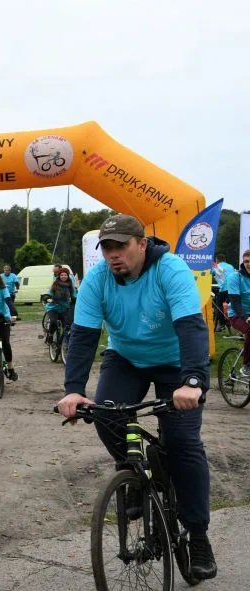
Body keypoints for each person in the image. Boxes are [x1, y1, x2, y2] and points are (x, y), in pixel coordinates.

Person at [56, 213, 216, 581]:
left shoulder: (170, 270)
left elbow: (192, 327)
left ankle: (198, 535)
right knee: (106, 416)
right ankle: (134, 473)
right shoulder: (97, 279)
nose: (113, 255)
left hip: (175, 364)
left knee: (182, 443)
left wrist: (193, 381)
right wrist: (74, 390)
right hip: (126, 358)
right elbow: (83, 337)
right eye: (107, 248)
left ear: (142, 245)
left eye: (121, 246)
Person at [226, 249, 250, 376]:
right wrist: (245, 317)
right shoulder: (235, 277)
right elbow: (235, 301)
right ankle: (247, 365)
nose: (249, 264)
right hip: (237, 314)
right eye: (246, 261)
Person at [42, 268, 75, 344]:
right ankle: (50, 335)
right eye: (62, 275)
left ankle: (63, 342)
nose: (63, 276)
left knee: (67, 326)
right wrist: (47, 298)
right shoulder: (55, 285)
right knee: (53, 322)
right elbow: (48, 294)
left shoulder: (70, 286)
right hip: (53, 308)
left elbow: (74, 296)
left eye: (65, 275)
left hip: (64, 308)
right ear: (59, 276)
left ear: (68, 276)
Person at [212, 253, 235, 331]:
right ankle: (231, 322)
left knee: (219, 306)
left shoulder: (215, 266)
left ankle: (221, 324)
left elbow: (209, 274)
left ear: (217, 260)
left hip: (222, 289)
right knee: (231, 306)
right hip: (232, 289)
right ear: (225, 260)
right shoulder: (231, 266)